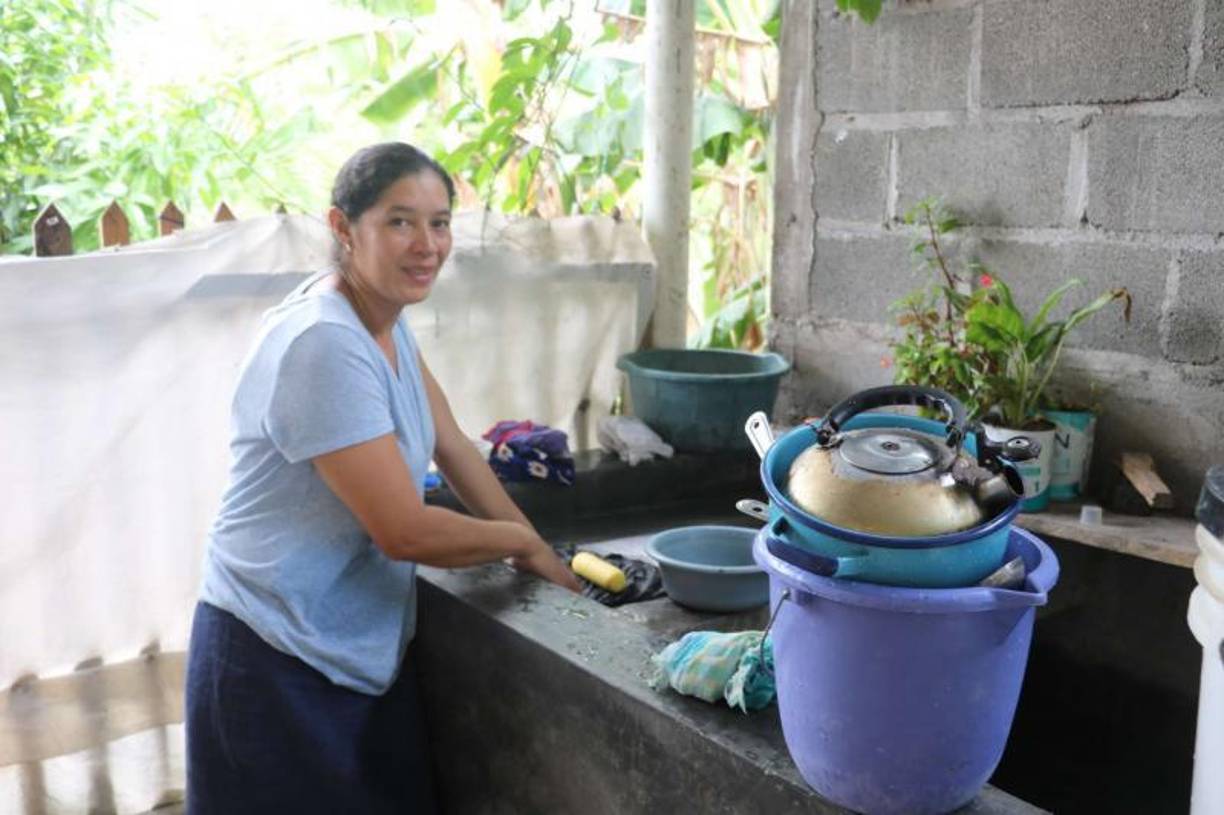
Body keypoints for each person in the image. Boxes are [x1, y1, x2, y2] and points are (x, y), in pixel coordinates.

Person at [184, 142, 581, 814]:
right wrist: (520, 545)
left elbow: (453, 445)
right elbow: (403, 529)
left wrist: (541, 549)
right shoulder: (324, 343)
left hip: (352, 646)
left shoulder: (383, 322)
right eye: (400, 222)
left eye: (440, 222)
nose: (426, 245)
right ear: (343, 228)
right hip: (273, 653)